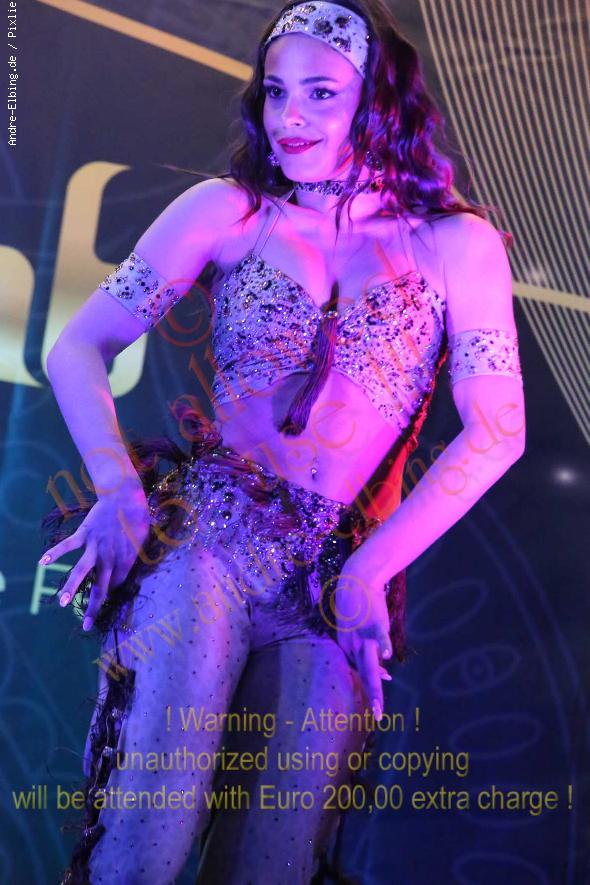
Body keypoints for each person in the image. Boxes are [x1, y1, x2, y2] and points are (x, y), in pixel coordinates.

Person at [40, 0, 525, 882]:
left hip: (335, 585)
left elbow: (498, 431)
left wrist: (370, 570)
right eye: (275, 92)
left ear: (378, 99)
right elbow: (77, 346)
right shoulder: (227, 212)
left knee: (271, 868)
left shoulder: (459, 245)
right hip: (208, 545)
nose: (290, 116)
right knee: (143, 850)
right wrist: (116, 488)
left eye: (321, 93)